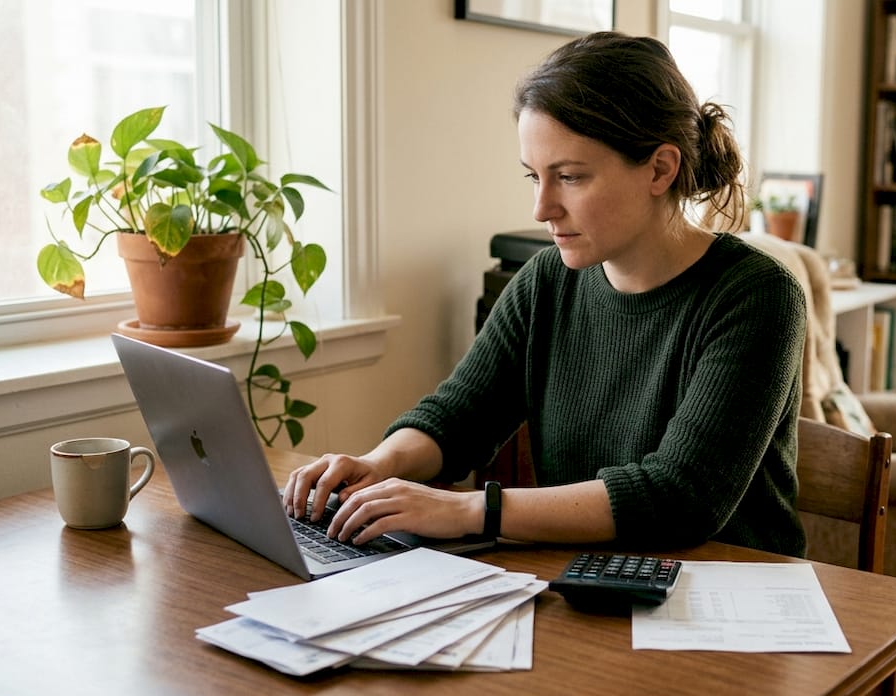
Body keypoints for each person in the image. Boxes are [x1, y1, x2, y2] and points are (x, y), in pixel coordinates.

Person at [283, 31, 808, 557]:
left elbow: (680, 497)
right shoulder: (547, 281)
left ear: (659, 168)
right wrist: (380, 463)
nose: (542, 208)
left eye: (571, 177)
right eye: (534, 176)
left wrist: (470, 510)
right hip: (592, 580)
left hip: (728, 595)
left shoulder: (758, 296)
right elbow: (458, 418)